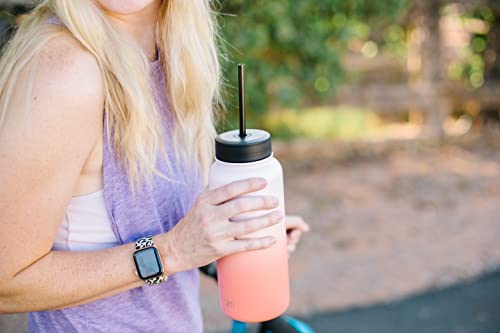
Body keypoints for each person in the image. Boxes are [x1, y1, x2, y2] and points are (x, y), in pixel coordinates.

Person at [0, 1, 310, 332]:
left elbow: (155, 220)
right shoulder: (66, 70)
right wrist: (172, 251)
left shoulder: (174, 49)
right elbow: (7, 282)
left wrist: (222, 237)